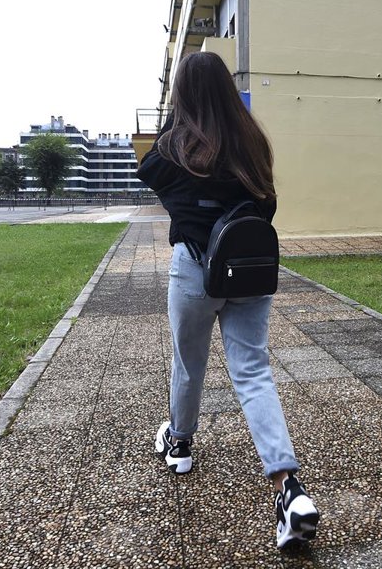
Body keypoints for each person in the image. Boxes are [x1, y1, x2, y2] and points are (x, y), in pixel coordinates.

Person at [137, 52, 320, 548]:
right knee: (254, 372)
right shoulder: (252, 140)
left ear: (183, 95)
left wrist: (176, 121)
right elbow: (268, 204)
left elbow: (148, 172)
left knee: (189, 362)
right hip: (248, 266)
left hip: (195, 268)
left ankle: (179, 444)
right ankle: (288, 489)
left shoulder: (175, 146)